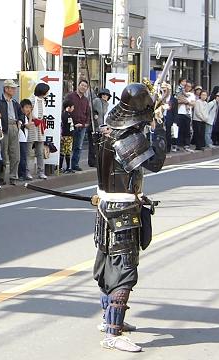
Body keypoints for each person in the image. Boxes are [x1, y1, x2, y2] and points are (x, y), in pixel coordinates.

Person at [93, 83, 167, 352]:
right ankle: (113, 333)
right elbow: (155, 162)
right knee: (124, 272)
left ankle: (108, 320)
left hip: (106, 207)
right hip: (122, 213)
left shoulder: (107, 132)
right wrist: (159, 129)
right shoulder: (128, 139)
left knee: (107, 266)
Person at [0, 79, 22, 185]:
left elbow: (20, 114)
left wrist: (20, 122)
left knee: (15, 154)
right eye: (12, 88)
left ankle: (13, 176)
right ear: (6, 89)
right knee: (2, 153)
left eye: (14, 88)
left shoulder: (15, 102)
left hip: (14, 126)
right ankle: (0, 176)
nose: (14, 90)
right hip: (3, 128)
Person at [64, 80, 91, 171]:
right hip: (71, 125)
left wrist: (86, 124)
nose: (83, 87)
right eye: (82, 85)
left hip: (82, 126)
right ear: (78, 86)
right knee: (68, 146)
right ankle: (66, 166)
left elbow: (88, 113)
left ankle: (75, 164)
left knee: (78, 147)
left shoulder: (86, 100)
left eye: (85, 86)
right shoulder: (70, 96)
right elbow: (65, 108)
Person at [28, 83, 49, 179]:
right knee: (29, 151)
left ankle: (41, 171)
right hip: (32, 125)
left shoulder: (42, 100)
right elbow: (27, 112)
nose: (48, 93)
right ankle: (27, 172)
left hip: (39, 125)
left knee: (40, 151)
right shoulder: (32, 99)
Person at [176, 81, 195, 152]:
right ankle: (179, 144)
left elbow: (193, 103)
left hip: (187, 114)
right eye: (187, 86)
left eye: (189, 86)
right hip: (180, 113)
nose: (188, 87)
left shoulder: (191, 95)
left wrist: (186, 102)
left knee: (187, 130)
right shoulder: (180, 92)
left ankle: (186, 144)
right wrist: (186, 101)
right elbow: (177, 101)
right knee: (179, 129)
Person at [18, 99, 32, 180]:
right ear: (22, 108)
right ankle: (21, 174)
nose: (28, 109)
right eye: (26, 107)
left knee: (23, 157)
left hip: (24, 139)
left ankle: (22, 174)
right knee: (22, 157)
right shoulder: (22, 116)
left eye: (30, 108)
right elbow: (28, 126)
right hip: (21, 139)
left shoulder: (24, 116)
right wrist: (30, 116)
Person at [60, 100, 75, 173]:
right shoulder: (65, 115)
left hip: (68, 135)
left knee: (66, 151)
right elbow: (65, 126)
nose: (73, 108)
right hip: (66, 135)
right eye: (72, 107)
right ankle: (64, 167)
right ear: (68, 107)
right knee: (65, 151)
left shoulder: (66, 114)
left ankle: (66, 167)